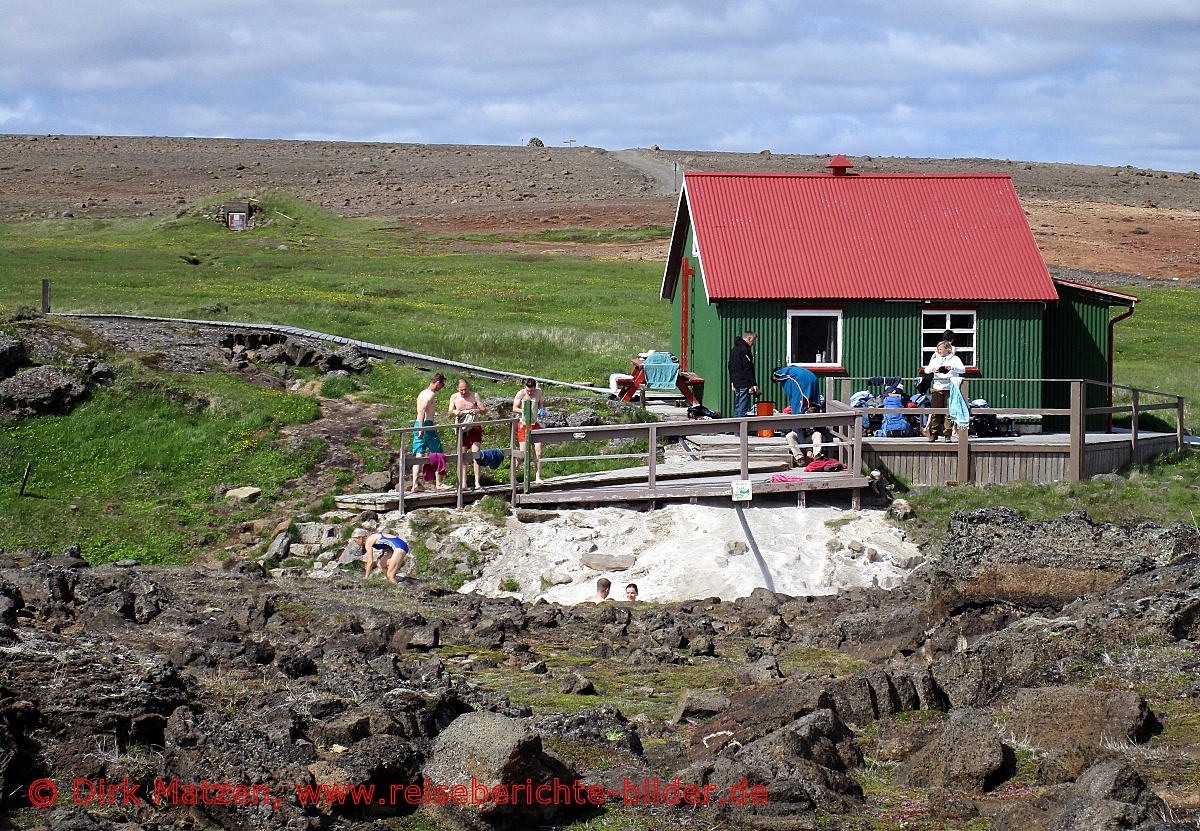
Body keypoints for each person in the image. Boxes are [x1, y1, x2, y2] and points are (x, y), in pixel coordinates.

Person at [411, 373, 450, 492]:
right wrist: (422, 429)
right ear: (438, 382)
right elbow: (422, 410)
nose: (441, 388)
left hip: (417, 423)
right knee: (438, 452)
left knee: (419, 454)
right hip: (426, 425)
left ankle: (414, 485)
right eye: (442, 385)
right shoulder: (430, 394)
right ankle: (439, 483)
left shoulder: (422, 392)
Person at [449, 378, 486, 490]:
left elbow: (484, 410)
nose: (464, 392)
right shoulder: (454, 397)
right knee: (463, 455)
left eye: (465, 390)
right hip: (462, 427)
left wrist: (477, 411)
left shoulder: (475, 395)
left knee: (476, 453)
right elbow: (449, 413)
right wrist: (455, 412)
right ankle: (463, 483)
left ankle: (477, 482)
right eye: (461, 390)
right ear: (457, 389)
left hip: (474, 425)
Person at [924, 341, 965, 441]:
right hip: (937, 387)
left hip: (950, 388)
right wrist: (932, 370)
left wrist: (951, 367)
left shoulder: (955, 359)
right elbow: (926, 369)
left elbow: (963, 369)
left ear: (947, 349)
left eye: (941, 349)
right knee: (935, 411)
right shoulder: (936, 359)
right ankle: (933, 433)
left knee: (949, 412)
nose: (939, 351)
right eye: (938, 349)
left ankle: (947, 434)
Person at [513, 378, 545, 485]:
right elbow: (514, 408)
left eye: (531, 391)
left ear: (535, 387)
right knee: (523, 454)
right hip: (523, 424)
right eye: (528, 391)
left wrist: (541, 410)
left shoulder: (538, 392)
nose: (530, 393)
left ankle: (538, 477)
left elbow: (540, 404)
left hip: (534, 423)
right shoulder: (521, 394)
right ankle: (512, 473)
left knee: (539, 452)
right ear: (524, 387)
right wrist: (524, 411)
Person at [728, 331, 759, 419]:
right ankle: (740, 431)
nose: (754, 343)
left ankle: (736, 429)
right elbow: (748, 367)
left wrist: (732, 381)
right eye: (753, 340)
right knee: (742, 406)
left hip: (736, 381)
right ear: (749, 338)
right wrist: (753, 384)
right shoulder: (745, 350)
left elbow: (730, 366)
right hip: (744, 382)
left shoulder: (734, 350)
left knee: (738, 405)